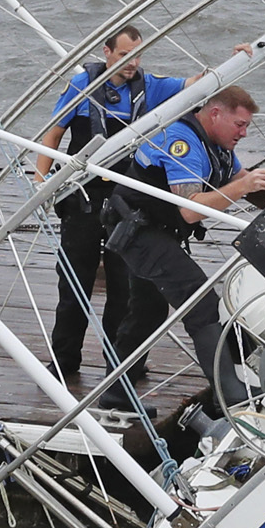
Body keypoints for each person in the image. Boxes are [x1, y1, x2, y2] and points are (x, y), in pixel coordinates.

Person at [104, 86, 265, 415]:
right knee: (203, 307)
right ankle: (228, 394)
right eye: (239, 125)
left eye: (246, 127)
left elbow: (247, 180)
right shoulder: (182, 141)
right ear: (215, 114)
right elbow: (191, 209)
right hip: (138, 231)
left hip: (158, 230)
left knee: (147, 313)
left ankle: (115, 391)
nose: (244, 133)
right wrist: (243, 186)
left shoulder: (219, 145)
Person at [34, 28, 184, 388]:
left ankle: (121, 363)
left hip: (128, 203)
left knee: (126, 288)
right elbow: (53, 134)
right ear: (106, 52)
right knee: (74, 285)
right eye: (124, 55)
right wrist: (40, 182)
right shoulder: (82, 87)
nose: (132, 63)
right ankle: (64, 359)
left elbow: (203, 83)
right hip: (83, 201)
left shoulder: (154, 87)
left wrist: (241, 52)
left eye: (138, 55)